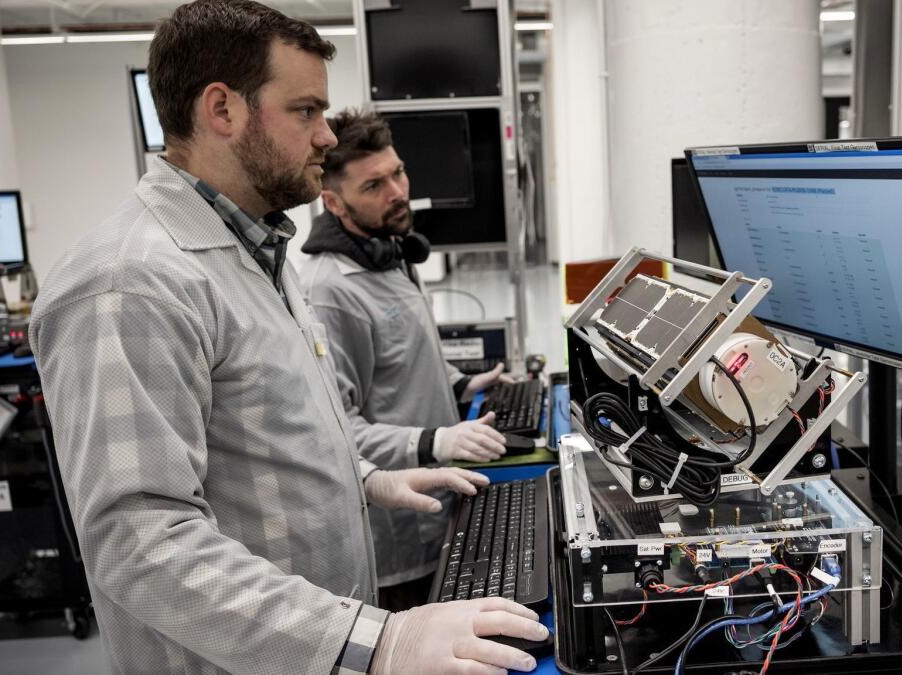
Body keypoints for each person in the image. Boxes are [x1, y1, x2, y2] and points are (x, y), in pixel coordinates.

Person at [27, 1, 547, 673]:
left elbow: (267, 432)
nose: (327, 136)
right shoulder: (131, 280)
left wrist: (364, 478)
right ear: (223, 110)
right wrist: (376, 640)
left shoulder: (257, 252)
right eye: (306, 111)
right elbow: (140, 543)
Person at [300, 109, 514, 610]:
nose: (397, 191)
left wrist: (460, 383)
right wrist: (437, 439)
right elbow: (338, 429)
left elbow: (400, 361)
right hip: (399, 536)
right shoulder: (331, 292)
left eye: (397, 172)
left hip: (442, 499)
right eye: (374, 185)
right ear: (333, 202)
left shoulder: (389, 251)